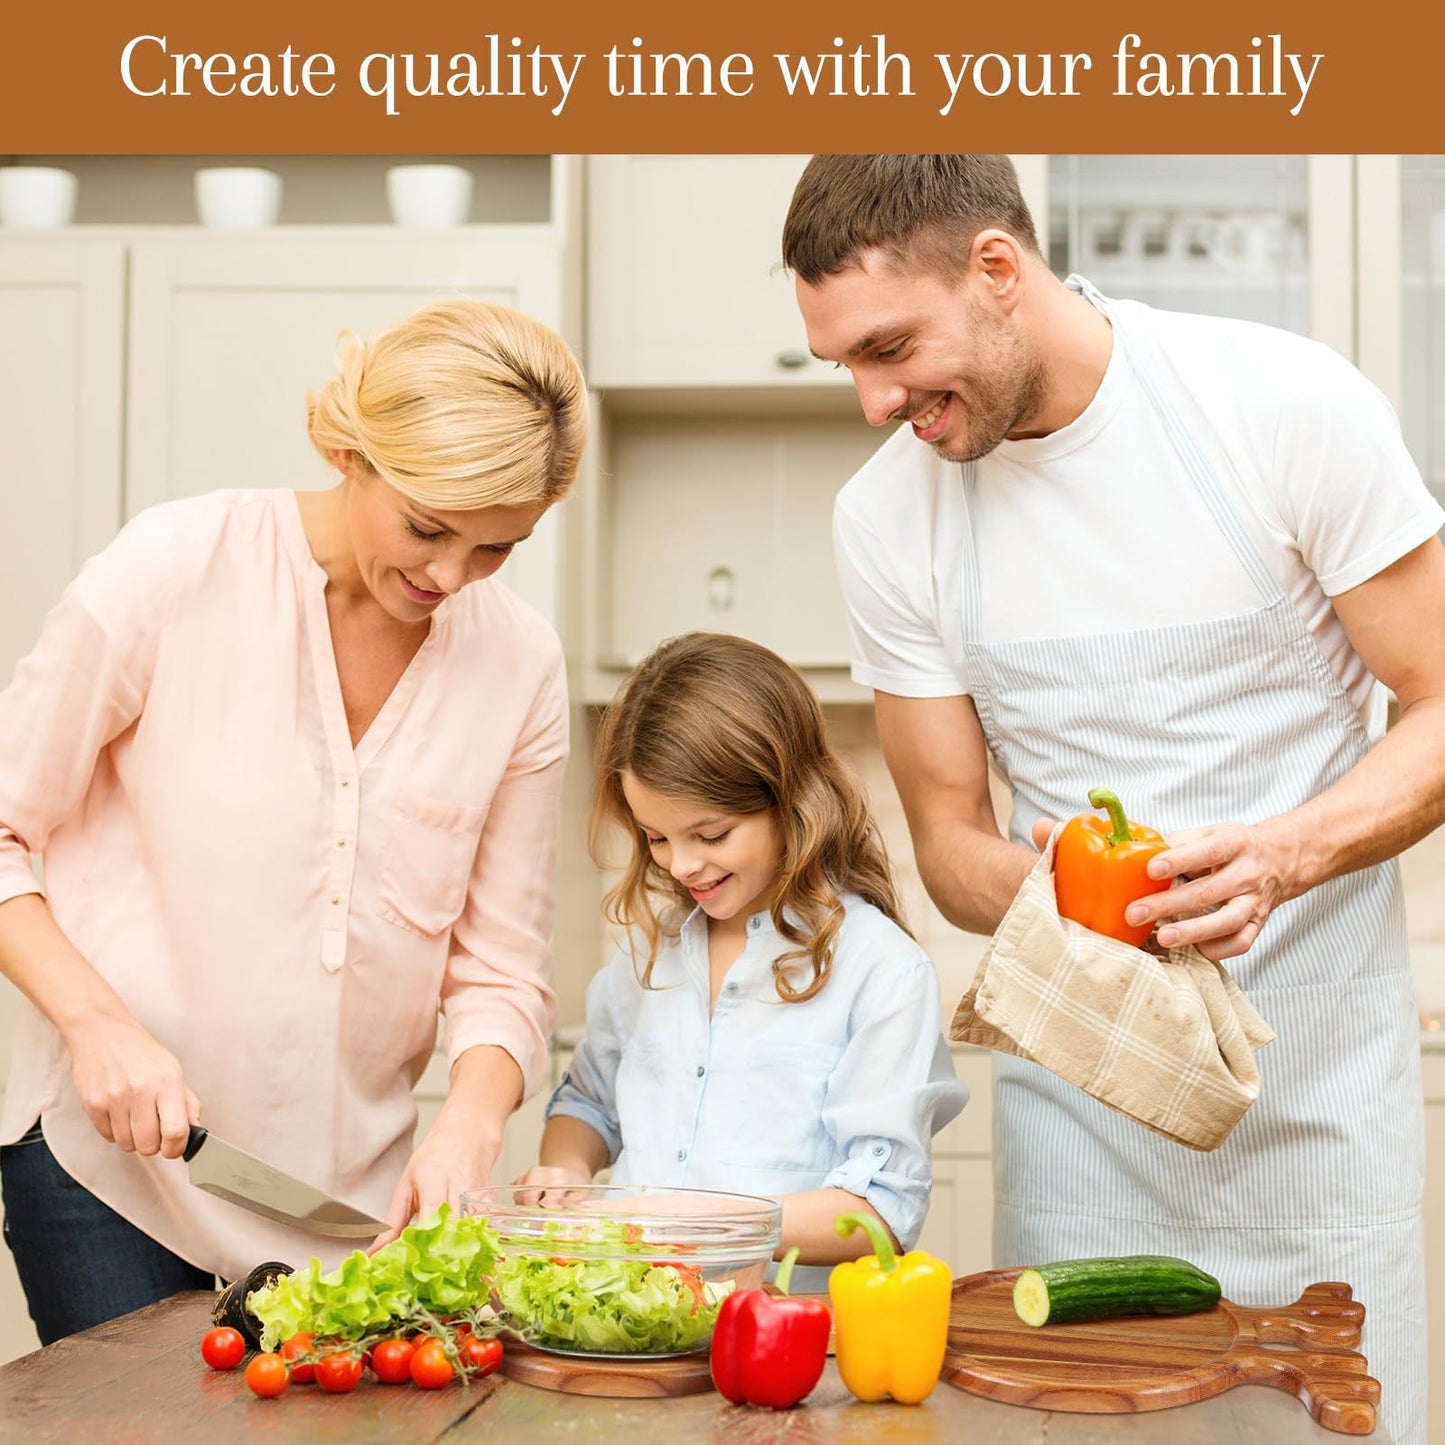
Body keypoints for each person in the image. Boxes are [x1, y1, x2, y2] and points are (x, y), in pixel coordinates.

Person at [782, 155, 1445, 1442]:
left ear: (994, 269)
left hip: (1315, 1099)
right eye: (843, 366)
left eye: (889, 347)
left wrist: (1281, 855)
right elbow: (947, 842)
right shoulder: (886, 523)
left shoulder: (1277, 405)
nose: (871, 402)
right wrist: (1051, 894)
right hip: (1081, 1123)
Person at [0, 297, 588, 1343]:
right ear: (344, 448)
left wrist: (465, 1125)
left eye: (496, 548)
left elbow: (500, 973)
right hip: (115, 1170)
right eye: (426, 526)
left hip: (345, 1212)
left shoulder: (519, 664)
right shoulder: (172, 568)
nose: (448, 578)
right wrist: (96, 1022)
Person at [517, 632, 966, 1291]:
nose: (681, 863)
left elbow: (878, 1209)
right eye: (656, 837)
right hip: (636, 1328)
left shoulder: (881, 971)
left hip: (790, 1347)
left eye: (711, 834)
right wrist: (567, 1173)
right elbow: (588, 1103)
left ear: (791, 801)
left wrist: (688, 1219)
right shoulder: (647, 954)